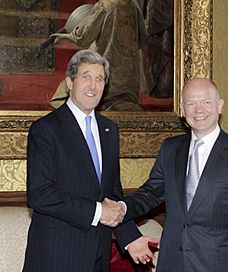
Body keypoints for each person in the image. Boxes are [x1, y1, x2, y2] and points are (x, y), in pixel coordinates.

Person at [23, 49, 154, 272]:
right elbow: (40, 194)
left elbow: (111, 193)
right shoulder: (46, 129)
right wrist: (97, 211)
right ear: (69, 82)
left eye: (99, 79)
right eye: (86, 77)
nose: (93, 86)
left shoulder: (109, 130)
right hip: (55, 256)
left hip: (97, 256)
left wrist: (130, 238)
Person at [124, 78, 228, 271]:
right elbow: (151, 193)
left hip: (218, 265)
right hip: (172, 263)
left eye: (206, 102)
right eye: (191, 103)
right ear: (183, 110)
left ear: (220, 105)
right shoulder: (170, 149)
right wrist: (121, 208)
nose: (198, 110)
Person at [50, 0, 147, 111]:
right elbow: (142, 39)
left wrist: (65, 36)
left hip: (105, 76)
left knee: (71, 83)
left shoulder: (104, 6)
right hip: (129, 80)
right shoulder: (133, 5)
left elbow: (83, 38)